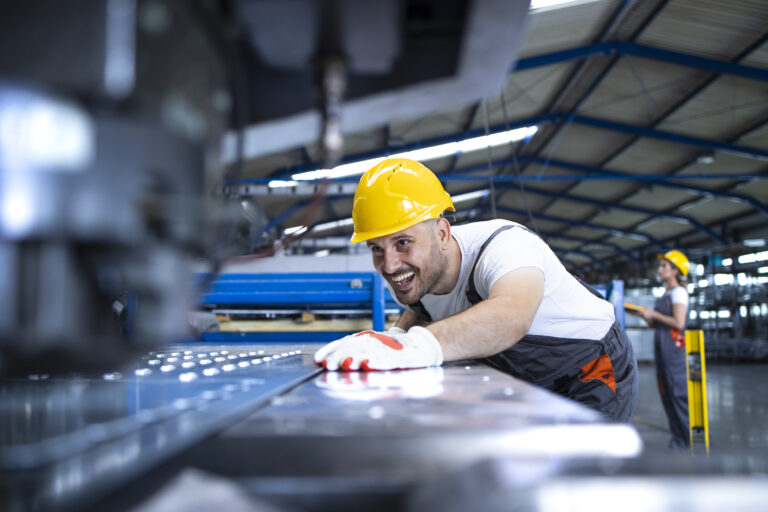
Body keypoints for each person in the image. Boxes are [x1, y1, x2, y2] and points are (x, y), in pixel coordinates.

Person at [314, 158, 638, 422]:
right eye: (376, 248)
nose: (389, 264)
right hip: (526, 379)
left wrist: (417, 347)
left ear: (442, 233)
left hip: (591, 369)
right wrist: (391, 340)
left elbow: (511, 315)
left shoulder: (505, 245)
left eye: (403, 243)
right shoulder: (423, 275)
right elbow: (419, 310)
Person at [635, 250, 691, 448]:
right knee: (667, 397)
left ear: (675, 271)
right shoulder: (665, 294)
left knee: (677, 397)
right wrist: (648, 318)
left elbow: (678, 322)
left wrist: (653, 314)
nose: (660, 269)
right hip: (662, 352)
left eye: (664, 266)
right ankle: (677, 440)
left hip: (674, 353)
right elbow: (659, 324)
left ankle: (684, 442)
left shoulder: (679, 293)